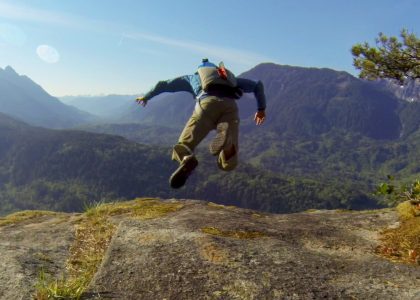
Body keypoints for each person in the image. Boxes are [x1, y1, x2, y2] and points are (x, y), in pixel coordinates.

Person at [136, 58, 266, 189]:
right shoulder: (227, 77)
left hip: (206, 105)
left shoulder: (194, 77)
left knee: (184, 145)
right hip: (230, 108)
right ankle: (227, 150)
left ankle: (187, 158)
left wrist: (146, 96)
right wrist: (261, 109)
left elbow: (163, 84)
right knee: (229, 162)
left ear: (200, 70)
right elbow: (257, 85)